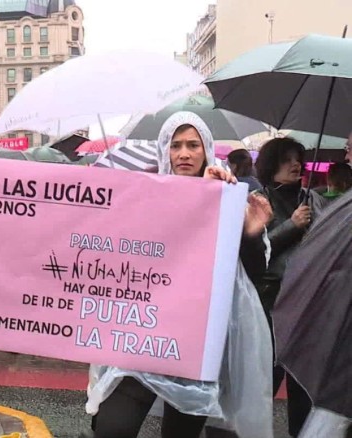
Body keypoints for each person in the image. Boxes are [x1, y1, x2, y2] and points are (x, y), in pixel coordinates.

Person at [84, 112, 274, 438]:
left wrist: (248, 232)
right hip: (145, 329)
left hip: (195, 341)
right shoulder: (146, 194)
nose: (183, 154)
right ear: (165, 151)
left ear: (207, 150)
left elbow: (252, 273)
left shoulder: (228, 195)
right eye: (175, 146)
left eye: (192, 145)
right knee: (113, 426)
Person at [254, 137, 325, 437]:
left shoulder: (313, 200)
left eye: (297, 158)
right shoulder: (258, 201)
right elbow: (255, 253)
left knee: (303, 393)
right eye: (286, 160)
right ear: (271, 167)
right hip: (270, 309)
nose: (295, 164)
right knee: (262, 387)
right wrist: (291, 226)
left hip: (308, 310)